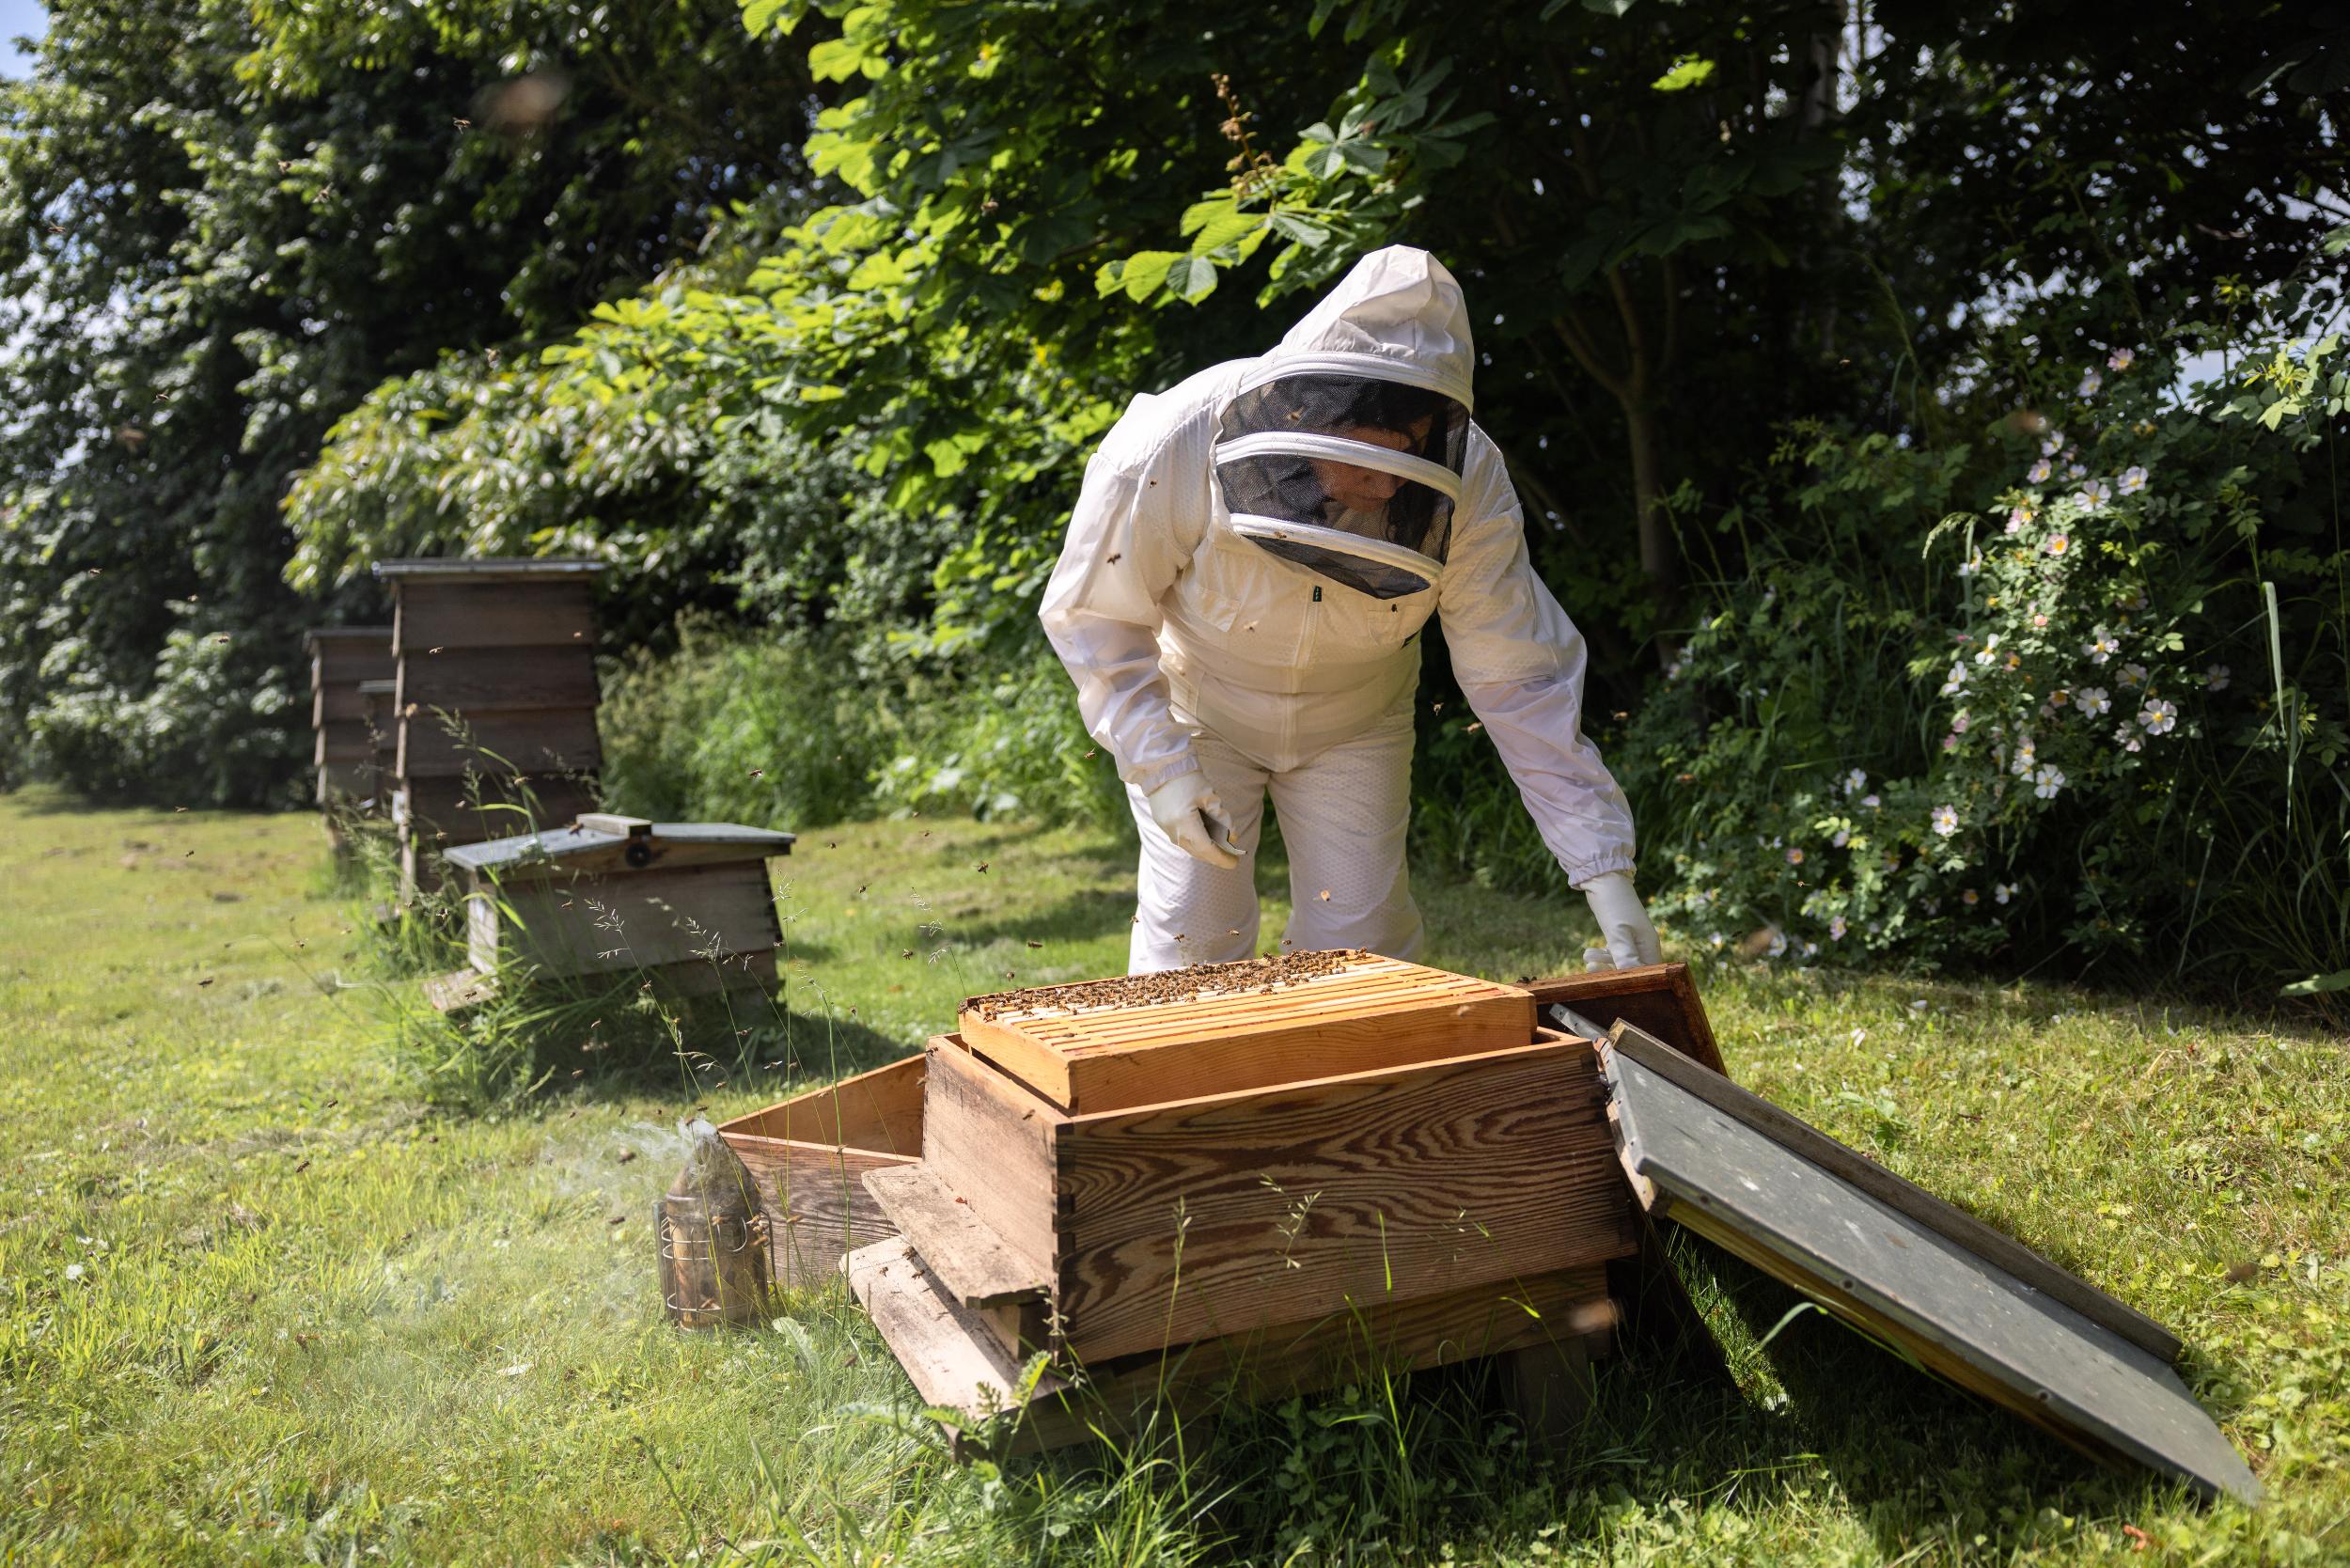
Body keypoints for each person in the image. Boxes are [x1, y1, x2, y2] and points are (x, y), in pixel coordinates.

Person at [1040, 245, 1661, 975]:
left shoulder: (1472, 480)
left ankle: (1343, 1093)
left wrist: (1604, 873)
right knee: (1193, 939)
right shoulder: (1177, 437)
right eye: (1361, 456)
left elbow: (1515, 675)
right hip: (1199, 711)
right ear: (1307, 413)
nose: (1383, 483)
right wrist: (1163, 768)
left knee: (1363, 950)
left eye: (1407, 452)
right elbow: (1097, 615)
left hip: (1358, 722)